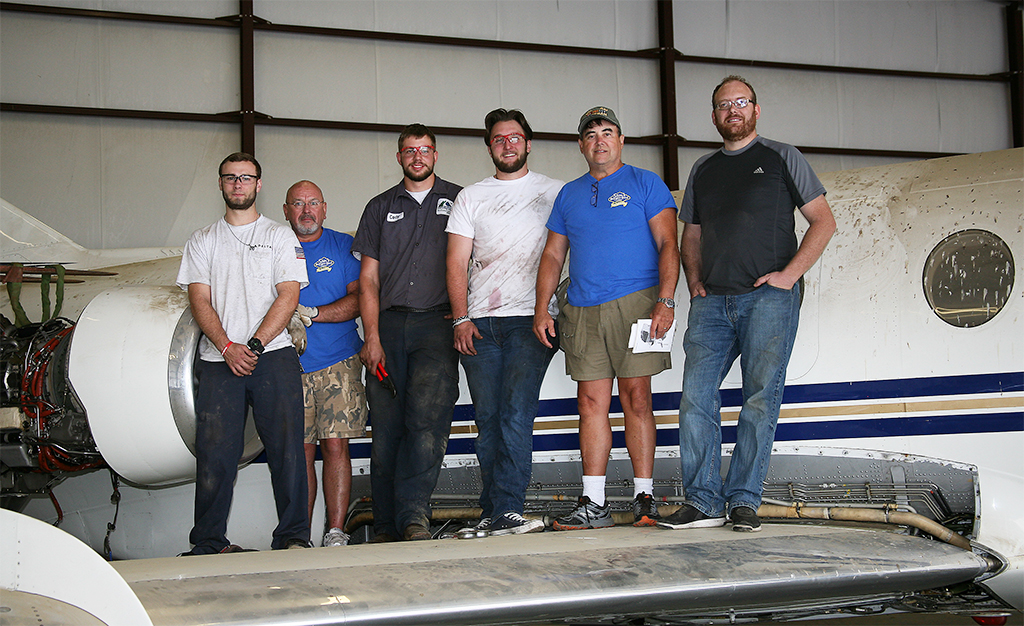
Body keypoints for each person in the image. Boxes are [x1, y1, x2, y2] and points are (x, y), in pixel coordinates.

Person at [660, 76, 836, 533]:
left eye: (740, 102)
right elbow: (691, 233)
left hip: (768, 301)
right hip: (713, 303)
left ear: (756, 110)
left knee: (760, 400)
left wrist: (788, 277)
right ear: (714, 116)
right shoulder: (703, 168)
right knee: (696, 397)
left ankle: (743, 499)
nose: (732, 110)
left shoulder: (782, 157)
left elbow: (823, 221)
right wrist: (694, 280)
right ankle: (702, 500)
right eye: (723, 105)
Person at [534, 106, 679, 530]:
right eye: (591, 134)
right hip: (582, 309)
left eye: (608, 132)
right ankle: (593, 503)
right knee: (590, 403)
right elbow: (553, 254)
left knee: (637, 398)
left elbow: (669, 244)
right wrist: (543, 308)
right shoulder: (569, 194)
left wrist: (666, 301)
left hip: (638, 304)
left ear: (620, 140)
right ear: (581, 145)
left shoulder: (646, 184)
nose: (600, 140)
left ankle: (644, 499)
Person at [176, 152, 310, 554]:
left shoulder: (280, 236)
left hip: (273, 356)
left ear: (258, 184)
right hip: (220, 362)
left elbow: (290, 295)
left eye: (246, 178)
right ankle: (209, 542)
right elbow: (199, 300)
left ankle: (292, 538)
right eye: (230, 178)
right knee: (215, 457)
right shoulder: (202, 240)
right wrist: (227, 346)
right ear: (220, 183)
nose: (238, 184)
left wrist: (252, 346)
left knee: (287, 452)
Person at [446, 109, 563, 536]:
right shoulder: (471, 197)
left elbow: (573, 249)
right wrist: (460, 317)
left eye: (515, 138)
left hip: (531, 322)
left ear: (528, 144)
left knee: (516, 414)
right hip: (479, 323)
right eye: (499, 139)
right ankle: (495, 511)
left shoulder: (555, 192)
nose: (507, 145)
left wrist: (553, 306)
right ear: (489, 147)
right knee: (489, 419)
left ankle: (506, 507)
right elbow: (456, 261)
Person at [352, 124, 462, 542]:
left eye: (426, 149)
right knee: (385, 430)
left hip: (437, 326)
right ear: (399, 157)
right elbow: (368, 281)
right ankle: (382, 526)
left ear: (436, 155)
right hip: (389, 327)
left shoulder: (459, 200)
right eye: (410, 150)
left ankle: (414, 517)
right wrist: (372, 337)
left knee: (427, 425)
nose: (418, 157)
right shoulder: (379, 207)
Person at [283, 180, 367, 548]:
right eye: (298, 204)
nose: (306, 211)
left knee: (335, 447)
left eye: (313, 203)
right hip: (287, 366)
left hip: (339, 362)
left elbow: (361, 299)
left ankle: (335, 532)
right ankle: (298, 534)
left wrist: (313, 313)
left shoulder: (343, 246)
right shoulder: (273, 246)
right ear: (286, 210)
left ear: (325, 208)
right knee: (299, 451)